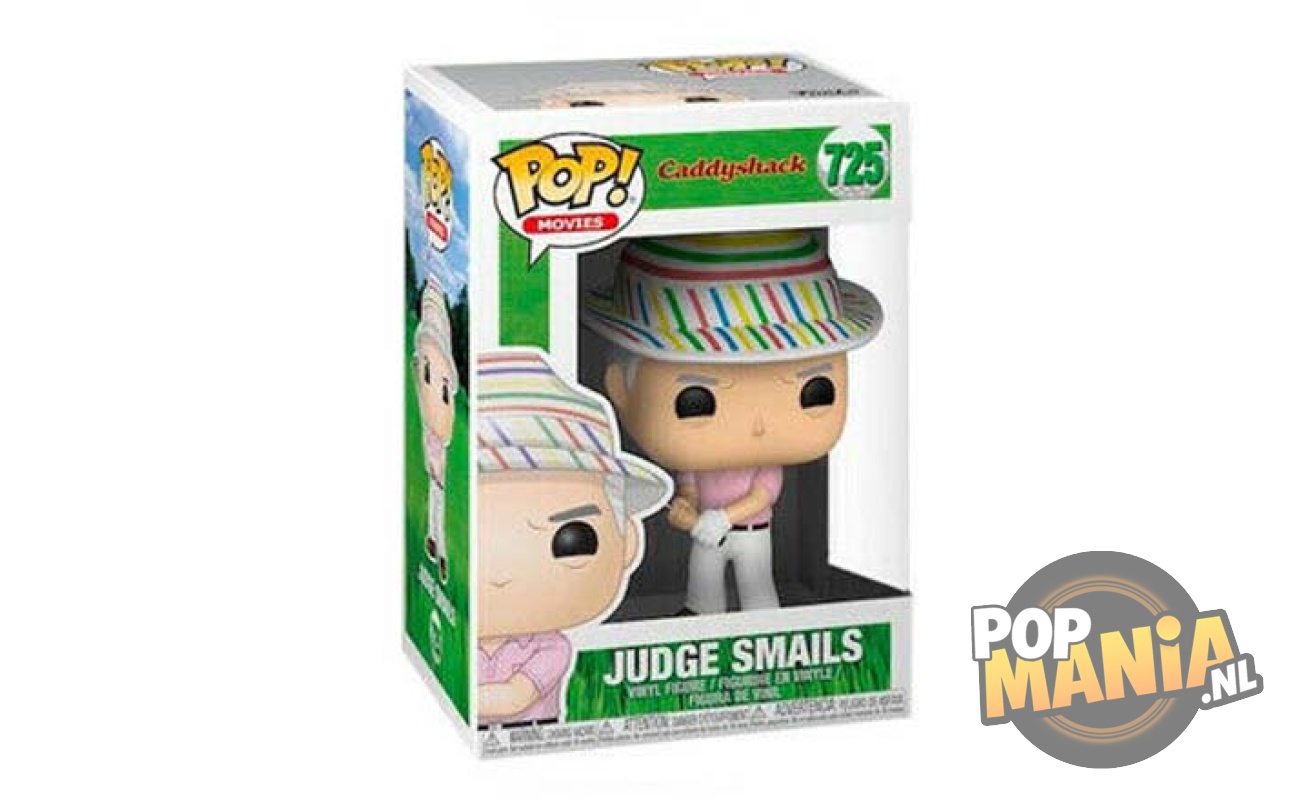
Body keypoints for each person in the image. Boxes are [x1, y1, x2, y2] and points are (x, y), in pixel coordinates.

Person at [582, 230, 882, 614]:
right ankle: (700, 623)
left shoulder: (764, 462)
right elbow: (689, 487)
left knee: (758, 591)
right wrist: (686, 510)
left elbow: (762, 495)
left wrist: (722, 518)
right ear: (619, 388)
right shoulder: (696, 463)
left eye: (815, 393)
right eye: (696, 402)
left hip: (751, 533)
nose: (758, 425)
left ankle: (764, 629)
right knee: (702, 591)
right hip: (706, 535)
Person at [476, 349, 671, 727]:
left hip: (534, 736)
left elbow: (514, 699)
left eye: (572, 540)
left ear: (627, 543)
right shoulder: (458, 635)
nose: (503, 574)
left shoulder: (552, 647)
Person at [413, 275, 457, 582]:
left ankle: (438, 545)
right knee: (435, 492)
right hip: (433, 440)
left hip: (437, 442)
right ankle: (434, 540)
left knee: (438, 493)